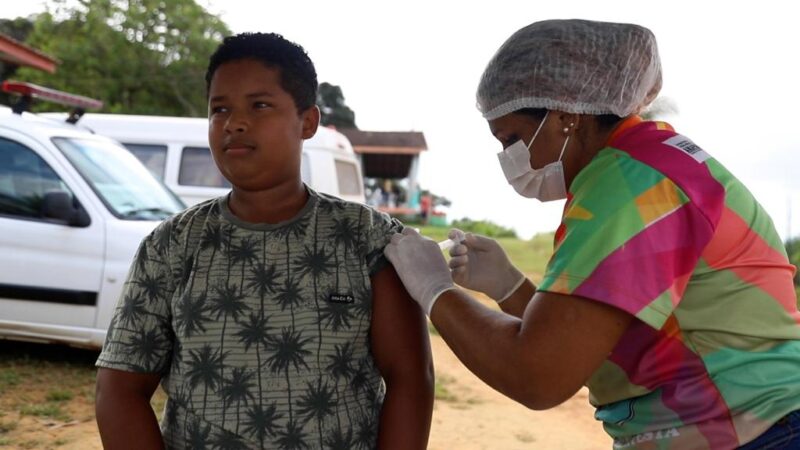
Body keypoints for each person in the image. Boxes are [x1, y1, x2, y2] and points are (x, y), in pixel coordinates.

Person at [385, 19, 800, 450]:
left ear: (565, 117)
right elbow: (589, 336)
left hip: (754, 432)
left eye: (513, 138)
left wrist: (435, 291)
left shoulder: (629, 186)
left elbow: (539, 374)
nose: (508, 158)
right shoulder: (647, 163)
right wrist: (509, 287)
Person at [95, 32, 433, 450]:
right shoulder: (172, 245)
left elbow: (410, 380)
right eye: (220, 109)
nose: (234, 122)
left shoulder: (369, 240)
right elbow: (119, 388)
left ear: (307, 122)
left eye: (259, 105)